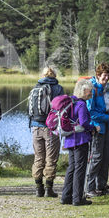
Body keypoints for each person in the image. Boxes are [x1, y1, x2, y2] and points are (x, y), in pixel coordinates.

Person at [60, 78, 96, 206]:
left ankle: (66, 196)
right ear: (84, 90)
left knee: (72, 168)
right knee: (80, 169)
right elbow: (84, 122)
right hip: (80, 140)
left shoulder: (71, 102)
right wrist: (93, 128)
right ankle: (77, 198)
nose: (91, 93)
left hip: (70, 139)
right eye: (90, 91)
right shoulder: (81, 104)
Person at [29, 66, 64, 197]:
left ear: (43, 75)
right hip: (51, 128)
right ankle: (49, 189)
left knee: (38, 157)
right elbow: (62, 108)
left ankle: (39, 188)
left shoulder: (36, 87)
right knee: (51, 159)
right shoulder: (58, 88)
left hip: (35, 127)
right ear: (54, 75)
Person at [86, 62, 109, 197]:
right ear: (98, 75)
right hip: (97, 128)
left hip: (108, 127)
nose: (106, 79)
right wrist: (108, 118)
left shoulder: (108, 88)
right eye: (104, 76)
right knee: (96, 158)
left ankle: (101, 186)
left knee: (105, 158)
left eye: (108, 76)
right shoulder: (93, 88)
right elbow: (90, 112)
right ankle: (89, 187)